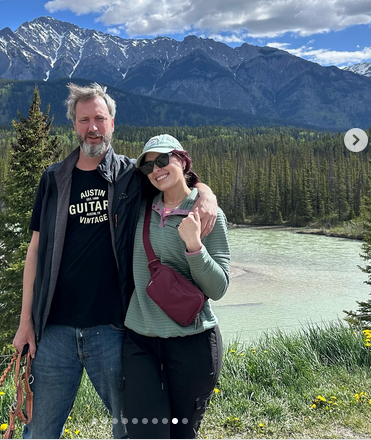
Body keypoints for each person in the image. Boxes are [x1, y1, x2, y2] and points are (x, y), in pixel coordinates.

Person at [12, 83, 218, 439]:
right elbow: (35, 250)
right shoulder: (53, 179)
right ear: (74, 125)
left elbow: (174, 181)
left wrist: (205, 195)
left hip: (113, 329)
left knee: (128, 429)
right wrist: (25, 321)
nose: (92, 127)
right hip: (55, 330)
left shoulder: (131, 177)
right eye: (84, 119)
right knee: (39, 431)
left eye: (99, 118)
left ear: (111, 123)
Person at [122, 134, 230, 439]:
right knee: (144, 433)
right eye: (148, 166)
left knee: (182, 433)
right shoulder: (138, 210)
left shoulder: (208, 215)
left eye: (163, 160)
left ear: (182, 160)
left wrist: (195, 247)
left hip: (193, 342)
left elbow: (218, 288)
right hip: (139, 341)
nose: (156, 170)